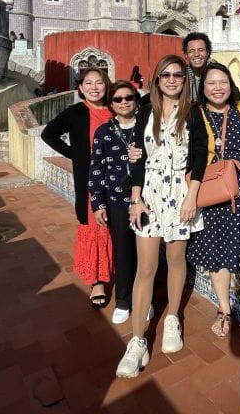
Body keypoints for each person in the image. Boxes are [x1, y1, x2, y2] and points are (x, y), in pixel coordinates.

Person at [115, 54, 208, 378]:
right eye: (165, 75)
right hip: (149, 197)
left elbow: (200, 156)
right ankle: (137, 340)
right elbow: (138, 160)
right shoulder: (145, 112)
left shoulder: (193, 112)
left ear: (185, 80)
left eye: (177, 75)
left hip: (181, 196)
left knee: (176, 259)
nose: (171, 80)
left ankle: (171, 318)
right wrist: (135, 200)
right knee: (146, 268)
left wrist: (192, 197)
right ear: (156, 80)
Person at [186, 62, 240, 364]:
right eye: (211, 82)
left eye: (222, 81)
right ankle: (224, 309)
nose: (217, 87)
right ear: (202, 88)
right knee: (217, 254)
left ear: (231, 84)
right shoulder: (195, 114)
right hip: (212, 194)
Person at [41, 68, 114, 309]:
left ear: (107, 85)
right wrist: (76, 155)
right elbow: (49, 134)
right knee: (95, 226)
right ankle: (97, 281)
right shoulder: (76, 112)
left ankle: (117, 269)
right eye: (88, 83)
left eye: (99, 82)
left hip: (117, 181)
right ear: (80, 88)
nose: (94, 87)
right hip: (91, 182)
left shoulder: (117, 108)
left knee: (117, 226)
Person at [88, 81, 141, 324]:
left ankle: (144, 299)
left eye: (128, 97)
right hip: (117, 201)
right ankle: (123, 300)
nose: (124, 102)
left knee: (145, 253)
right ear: (111, 103)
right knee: (122, 250)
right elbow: (96, 169)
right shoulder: (104, 132)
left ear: (135, 99)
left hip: (145, 199)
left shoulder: (146, 127)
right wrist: (97, 203)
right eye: (118, 99)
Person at [182, 32, 212, 103]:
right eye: (191, 51)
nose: (196, 54)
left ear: (208, 53)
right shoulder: (181, 74)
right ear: (186, 55)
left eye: (201, 50)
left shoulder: (218, 73)